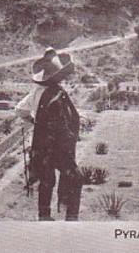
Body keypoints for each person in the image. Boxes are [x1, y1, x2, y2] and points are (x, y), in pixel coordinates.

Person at [25, 48, 83, 221]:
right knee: (75, 178)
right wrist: (69, 142)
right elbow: (60, 128)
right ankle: (71, 218)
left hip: (41, 147)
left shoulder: (41, 93)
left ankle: (44, 216)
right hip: (55, 148)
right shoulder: (56, 97)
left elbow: (23, 112)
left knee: (46, 180)